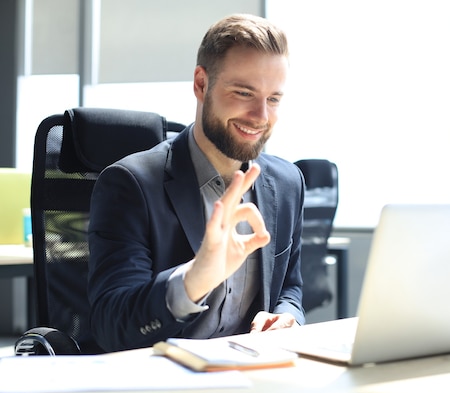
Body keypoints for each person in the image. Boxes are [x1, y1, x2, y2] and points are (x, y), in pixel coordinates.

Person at [87, 14, 305, 352]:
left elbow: (290, 288)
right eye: (244, 93)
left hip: (253, 382)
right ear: (201, 84)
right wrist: (193, 280)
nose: (261, 115)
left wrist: (287, 317)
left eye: (273, 99)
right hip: (162, 389)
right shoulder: (130, 185)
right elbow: (111, 326)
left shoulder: (288, 183)